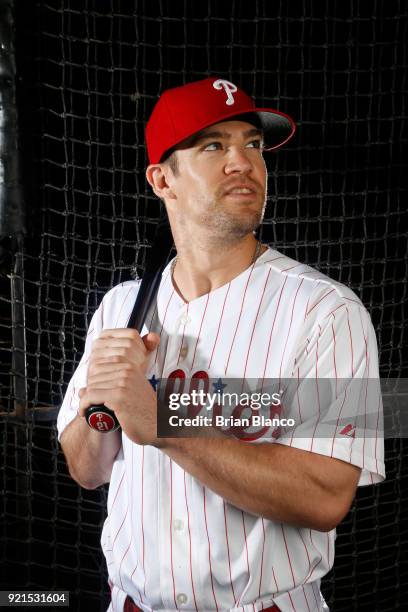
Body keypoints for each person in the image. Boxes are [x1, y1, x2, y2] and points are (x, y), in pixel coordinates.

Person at [57, 77, 385, 612]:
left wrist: (162, 421)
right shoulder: (121, 308)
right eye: (214, 146)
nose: (243, 162)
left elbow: (326, 497)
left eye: (252, 145)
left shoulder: (326, 312)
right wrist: (102, 406)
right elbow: (87, 470)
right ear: (163, 180)